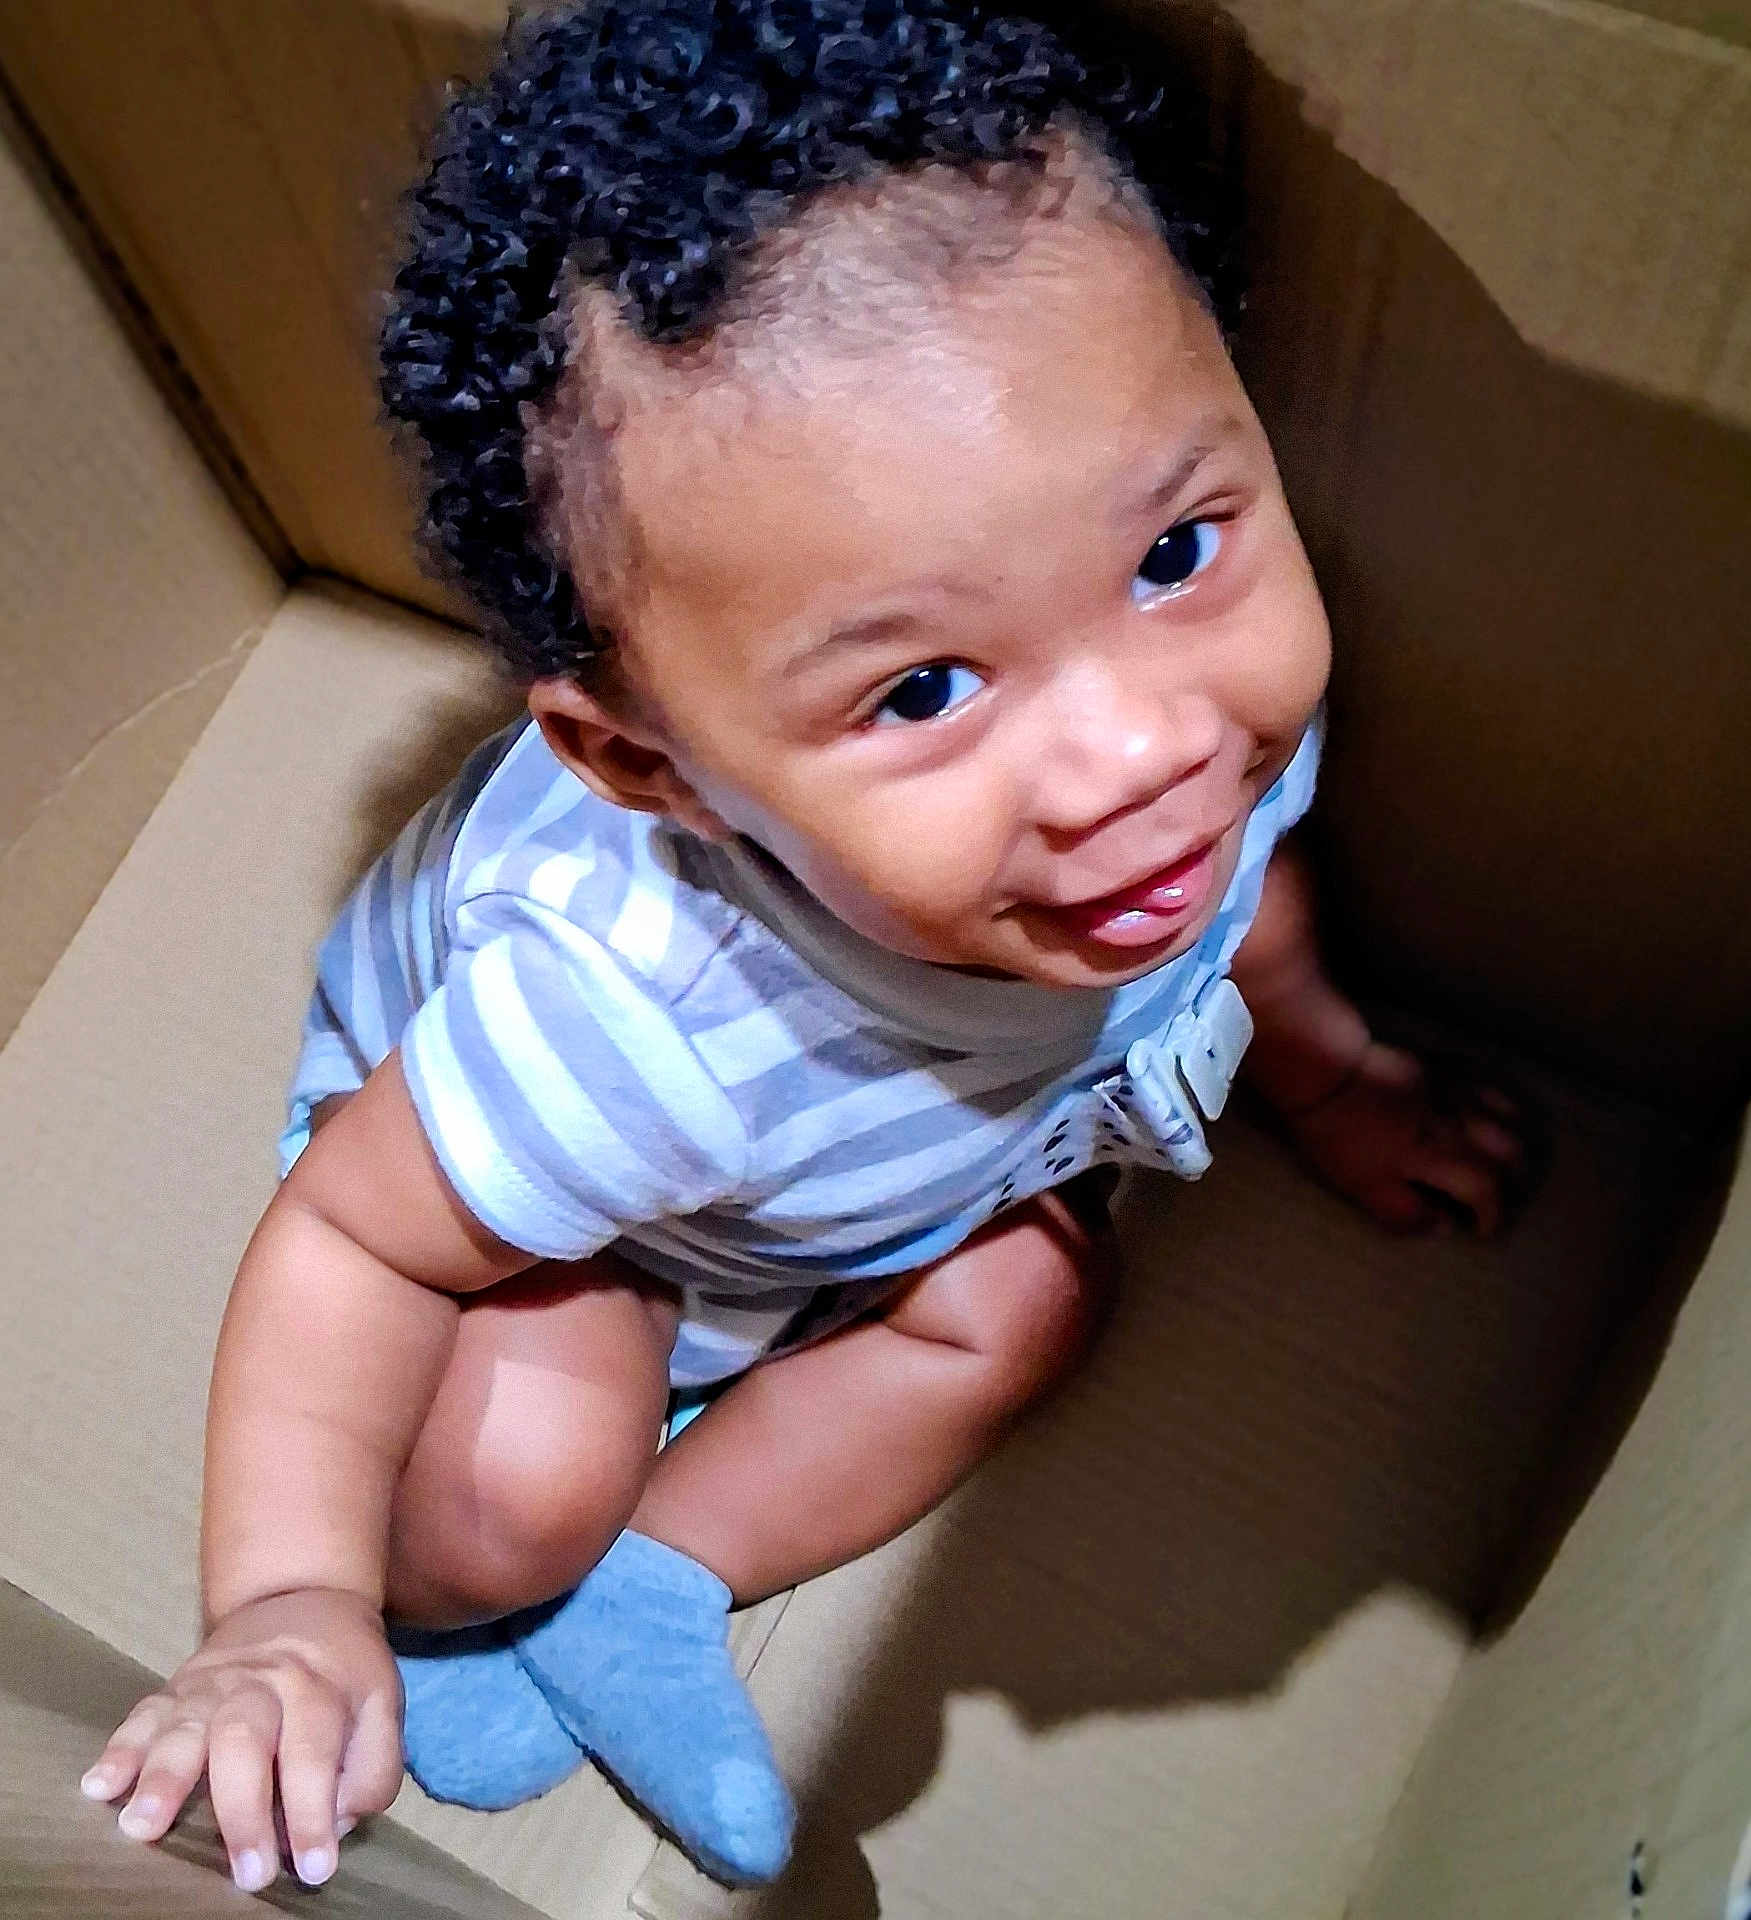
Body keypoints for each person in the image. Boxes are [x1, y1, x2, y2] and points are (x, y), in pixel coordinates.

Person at [79, 0, 1525, 1893]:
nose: (1144, 749)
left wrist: (1327, 1073)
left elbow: (1249, 896)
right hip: (560, 1211)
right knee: (506, 1505)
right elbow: (354, 1238)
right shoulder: (618, 1018)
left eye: (1174, 549)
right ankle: (525, 1577)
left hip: (870, 1177)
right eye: (926, 685)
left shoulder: (1184, 741)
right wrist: (284, 1599)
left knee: (1034, 1306)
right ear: (643, 765)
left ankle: (669, 1577)